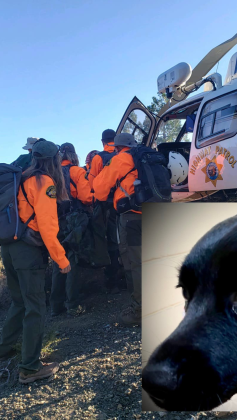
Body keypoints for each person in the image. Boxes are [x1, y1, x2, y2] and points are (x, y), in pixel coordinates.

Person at [0, 140, 70, 383]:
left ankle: (4, 350)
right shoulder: (44, 182)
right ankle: (30, 368)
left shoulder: (22, 177)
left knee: (19, 302)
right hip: (28, 252)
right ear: (54, 160)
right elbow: (47, 227)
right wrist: (61, 259)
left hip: (10, 246)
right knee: (35, 307)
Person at [92, 133, 142, 327]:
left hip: (131, 217)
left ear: (118, 147)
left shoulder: (119, 159)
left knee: (135, 262)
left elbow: (100, 188)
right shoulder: (148, 156)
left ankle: (139, 311)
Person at [51, 143, 92, 317]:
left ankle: (55, 306)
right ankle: (73, 304)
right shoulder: (77, 172)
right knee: (71, 259)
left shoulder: (50, 175)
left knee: (57, 260)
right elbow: (86, 197)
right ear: (73, 155)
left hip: (54, 221)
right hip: (72, 221)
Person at [88, 129, 122, 294]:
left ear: (103, 142)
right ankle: (127, 274)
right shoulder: (122, 155)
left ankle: (112, 278)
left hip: (106, 205)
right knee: (125, 238)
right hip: (125, 203)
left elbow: (92, 184)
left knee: (109, 241)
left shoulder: (98, 158)